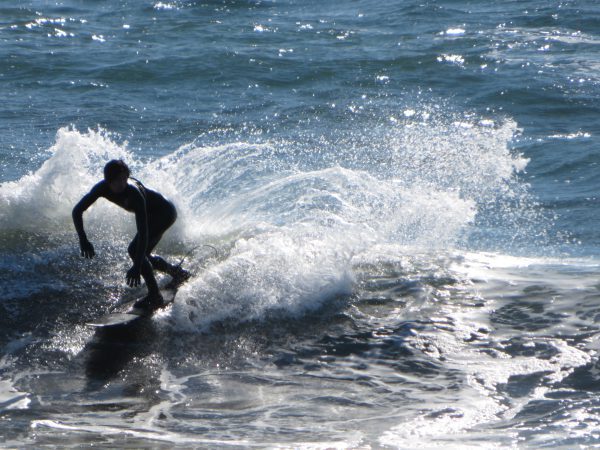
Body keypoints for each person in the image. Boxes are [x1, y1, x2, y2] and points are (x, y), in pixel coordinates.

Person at [72, 159, 189, 308]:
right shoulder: (101, 189)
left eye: (124, 179)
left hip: (164, 213)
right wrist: (83, 239)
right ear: (108, 181)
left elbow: (143, 233)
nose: (121, 184)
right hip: (154, 214)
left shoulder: (135, 194)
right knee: (142, 253)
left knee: (135, 251)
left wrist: (137, 266)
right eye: (117, 180)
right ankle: (177, 273)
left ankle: (155, 295)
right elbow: (77, 211)